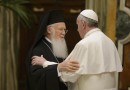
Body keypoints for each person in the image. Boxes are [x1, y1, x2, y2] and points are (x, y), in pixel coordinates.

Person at [31, 9, 123, 90]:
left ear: (83, 24)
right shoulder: (110, 42)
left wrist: (45, 63)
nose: (77, 30)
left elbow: (68, 74)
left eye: (77, 25)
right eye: (61, 29)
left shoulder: (84, 44)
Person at [26, 10, 79, 90]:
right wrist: (57, 68)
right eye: (60, 29)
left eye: (65, 30)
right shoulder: (38, 50)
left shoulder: (59, 47)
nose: (63, 33)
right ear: (49, 30)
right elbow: (35, 76)